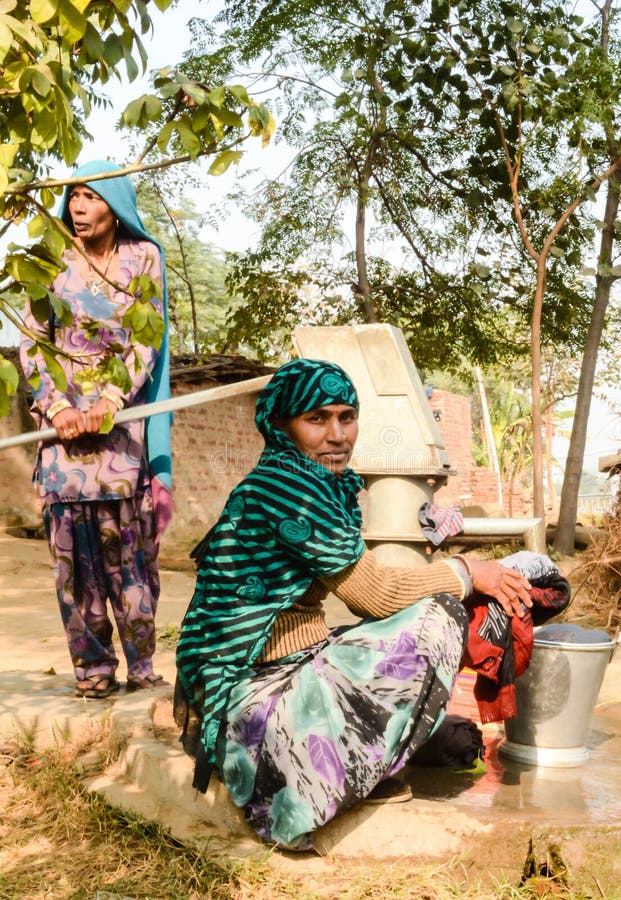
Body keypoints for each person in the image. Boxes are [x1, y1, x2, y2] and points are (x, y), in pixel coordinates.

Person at [174, 358, 543, 851]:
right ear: (282, 424)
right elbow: (377, 595)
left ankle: (350, 759)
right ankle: (299, 783)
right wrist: (469, 573)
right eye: (317, 418)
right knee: (438, 618)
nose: (337, 434)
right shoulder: (289, 489)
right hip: (249, 694)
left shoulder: (304, 480)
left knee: (445, 725)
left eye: (347, 416)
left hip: (266, 670)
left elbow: (370, 591)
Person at [20, 160, 173, 699]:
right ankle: (93, 670)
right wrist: (57, 408)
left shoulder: (143, 257)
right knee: (73, 563)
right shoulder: (49, 261)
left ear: (115, 203)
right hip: (63, 441)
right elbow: (31, 342)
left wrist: (109, 400)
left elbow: (146, 337)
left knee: (129, 558)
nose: (79, 206)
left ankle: (143, 665)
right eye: (73, 196)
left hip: (119, 433)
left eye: (90, 196)